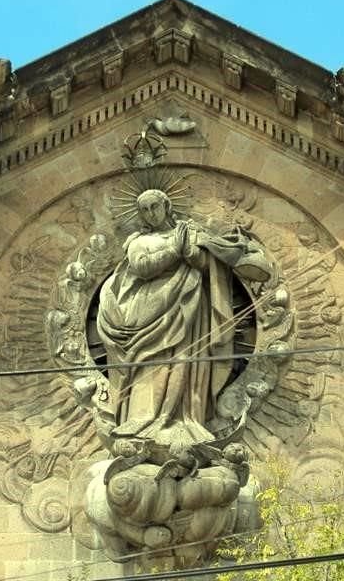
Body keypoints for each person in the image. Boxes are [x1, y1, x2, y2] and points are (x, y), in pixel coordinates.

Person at [96, 189, 269, 452]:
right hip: (147, 311)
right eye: (145, 209)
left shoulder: (186, 234)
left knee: (184, 361)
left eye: (155, 206)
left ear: (166, 205)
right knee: (147, 363)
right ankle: (142, 419)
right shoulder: (138, 241)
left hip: (187, 309)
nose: (151, 213)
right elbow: (142, 267)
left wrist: (191, 250)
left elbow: (203, 263)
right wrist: (175, 249)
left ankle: (183, 419)